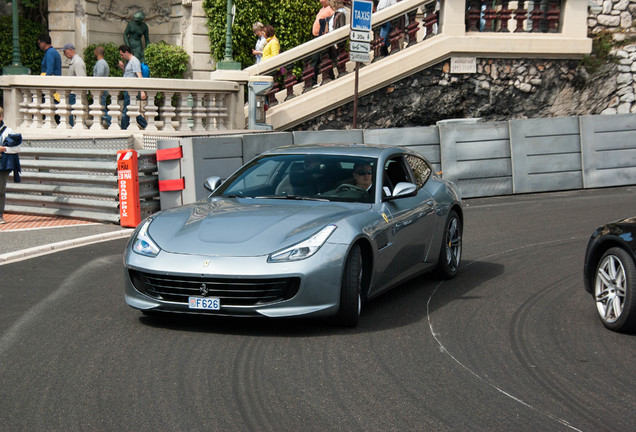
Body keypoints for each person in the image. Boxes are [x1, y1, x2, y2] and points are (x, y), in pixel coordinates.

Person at [0, 107, 22, 224]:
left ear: (1, 117)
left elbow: (17, 148)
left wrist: (3, 148)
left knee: (0, 189)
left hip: (2, 164)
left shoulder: (8, 131)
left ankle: (0, 215)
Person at [118, 44, 147, 129]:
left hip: (131, 92)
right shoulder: (130, 62)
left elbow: (139, 76)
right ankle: (147, 126)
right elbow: (128, 76)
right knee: (132, 111)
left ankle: (123, 130)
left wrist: (142, 91)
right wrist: (123, 68)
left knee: (125, 112)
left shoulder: (134, 61)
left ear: (126, 52)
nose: (122, 57)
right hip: (128, 91)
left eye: (122, 54)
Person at [311, 0, 334, 88]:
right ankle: (314, 80)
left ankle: (328, 76)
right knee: (319, 58)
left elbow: (332, 20)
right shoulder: (322, 9)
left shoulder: (329, 9)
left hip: (323, 37)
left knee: (322, 57)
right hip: (317, 37)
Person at [62, 43, 86, 126]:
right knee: (76, 114)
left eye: (65, 52)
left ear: (70, 50)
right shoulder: (75, 61)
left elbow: (81, 79)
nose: (64, 54)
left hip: (75, 93)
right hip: (74, 93)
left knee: (76, 114)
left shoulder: (77, 62)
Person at [93, 46, 111, 127]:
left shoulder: (100, 63)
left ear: (97, 53)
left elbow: (98, 78)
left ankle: (113, 123)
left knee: (101, 109)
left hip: (100, 91)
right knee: (100, 109)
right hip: (102, 90)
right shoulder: (104, 63)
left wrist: (95, 90)